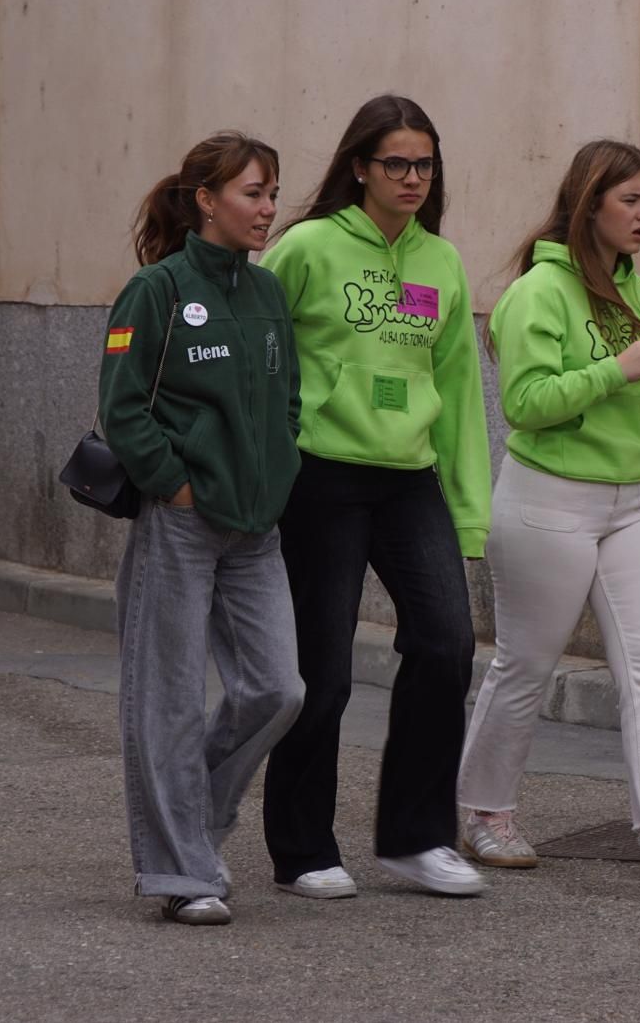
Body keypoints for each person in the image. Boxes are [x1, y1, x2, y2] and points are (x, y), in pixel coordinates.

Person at [456, 140, 640, 881]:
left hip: (638, 499)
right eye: (632, 200)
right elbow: (524, 405)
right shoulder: (538, 293)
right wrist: (613, 369)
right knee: (525, 664)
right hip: (547, 497)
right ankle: (484, 814)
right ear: (590, 204)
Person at [259, 95, 491, 898]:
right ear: (359, 165)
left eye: (424, 164)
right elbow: (262, 356)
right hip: (320, 477)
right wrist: (265, 467)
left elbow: (458, 390)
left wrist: (468, 509)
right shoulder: (308, 248)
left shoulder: (442, 262)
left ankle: (415, 838)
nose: (412, 178)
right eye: (395, 163)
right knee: (321, 670)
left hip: (410, 477)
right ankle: (301, 847)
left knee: (447, 643)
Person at [100, 131, 306, 925]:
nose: (266, 209)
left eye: (271, 193)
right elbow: (120, 407)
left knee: (278, 689)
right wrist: (175, 486)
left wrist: (279, 462)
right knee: (169, 701)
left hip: (257, 529)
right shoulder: (154, 291)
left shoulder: (265, 294)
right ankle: (182, 873)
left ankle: (192, 819)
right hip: (180, 526)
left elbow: (285, 396)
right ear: (206, 201)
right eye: (253, 193)